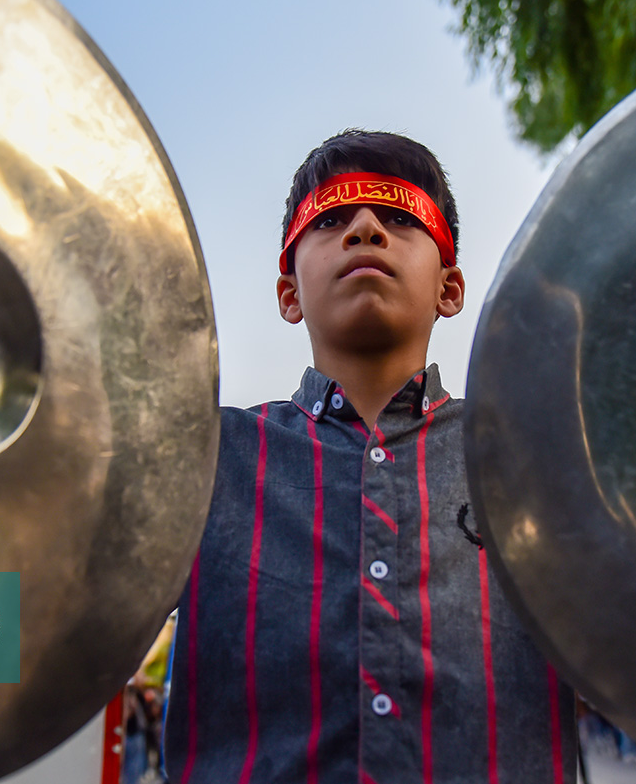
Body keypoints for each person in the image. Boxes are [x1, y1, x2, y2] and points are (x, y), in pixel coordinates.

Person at [162, 129, 578, 783]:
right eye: (330, 220)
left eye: (399, 218)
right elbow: (36, 609)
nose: (364, 228)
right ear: (289, 294)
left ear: (449, 288)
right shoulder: (204, 456)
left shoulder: (534, 457)